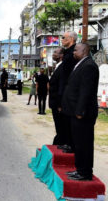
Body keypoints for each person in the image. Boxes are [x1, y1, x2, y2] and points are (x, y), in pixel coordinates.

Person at [62, 43, 99, 181]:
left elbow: (86, 91)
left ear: (84, 51)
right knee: (78, 143)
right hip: (75, 112)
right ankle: (79, 169)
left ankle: (85, 172)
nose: (73, 52)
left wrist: (80, 111)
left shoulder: (89, 66)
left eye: (76, 50)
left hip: (82, 114)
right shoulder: (81, 64)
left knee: (84, 144)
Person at [59, 30, 78, 153]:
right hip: (65, 90)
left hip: (71, 90)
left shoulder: (73, 53)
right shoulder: (67, 53)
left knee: (70, 119)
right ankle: (67, 142)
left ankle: (71, 144)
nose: (62, 39)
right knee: (65, 119)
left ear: (70, 39)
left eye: (63, 37)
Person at [49, 48, 66, 145]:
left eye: (55, 52)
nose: (53, 54)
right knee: (58, 128)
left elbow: (61, 86)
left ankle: (58, 145)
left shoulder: (62, 67)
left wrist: (60, 104)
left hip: (58, 104)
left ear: (61, 55)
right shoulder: (57, 66)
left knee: (60, 128)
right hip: (54, 102)